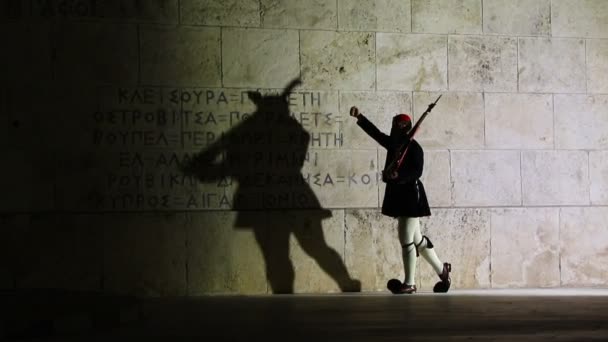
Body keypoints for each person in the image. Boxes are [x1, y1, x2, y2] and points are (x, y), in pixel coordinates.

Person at [349, 105, 451, 294]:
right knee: (417, 240)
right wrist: (360, 117)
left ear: (409, 126)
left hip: (412, 195)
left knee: (406, 239)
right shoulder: (394, 145)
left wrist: (398, 175)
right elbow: (376, 133)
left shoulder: (415, 148)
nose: (399, 128)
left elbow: (416, 172)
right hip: (399, 195)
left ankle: (410, 283)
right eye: (397, 124)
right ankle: (442, 271)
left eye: (403, 125)